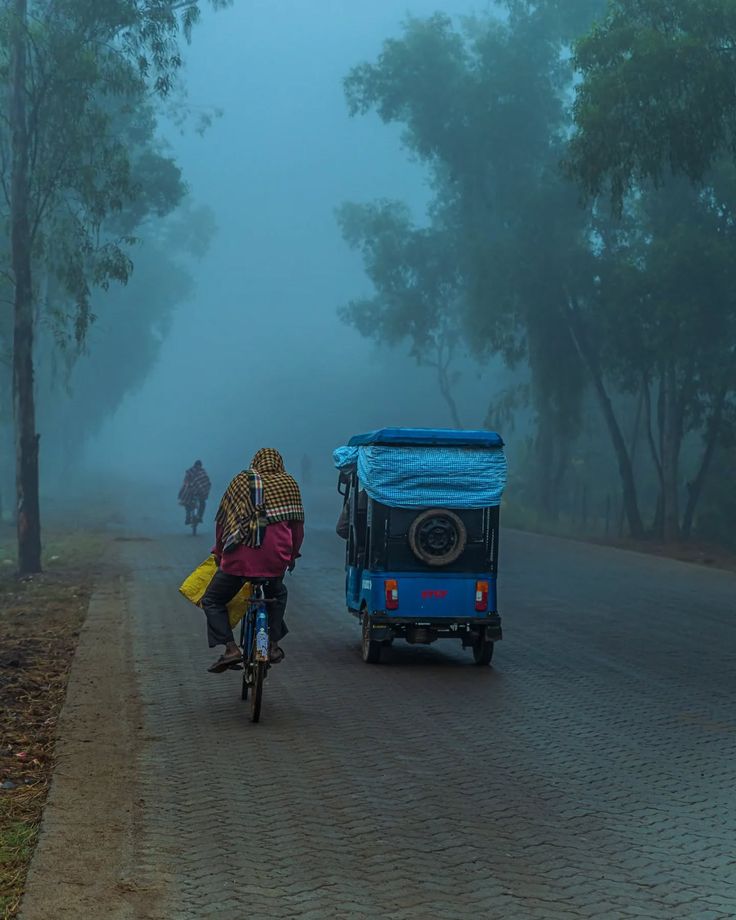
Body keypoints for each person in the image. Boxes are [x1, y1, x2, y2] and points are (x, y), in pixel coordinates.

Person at [201, 448, 304, 673]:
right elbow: (297, 529)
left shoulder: (241, 482)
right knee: (277, 595)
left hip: (238, 561)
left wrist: (219, 553)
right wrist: (292, 555)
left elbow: (223, 523)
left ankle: (230, 649)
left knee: (212, 600)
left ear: (255, 463)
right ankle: (273, 644)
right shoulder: (289, 484)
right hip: (275, 561)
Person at [178, 460, 211, 527]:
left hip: (200, 492)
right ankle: (188, 517)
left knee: (202, 502)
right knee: (187, 502)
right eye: (198, 466)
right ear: (195, 465)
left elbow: (206, 481)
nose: (198, 467)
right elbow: (186, 481)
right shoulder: (192, 471)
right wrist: (189, 485)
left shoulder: (202, 472)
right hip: (191, 491)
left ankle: (199, 517)